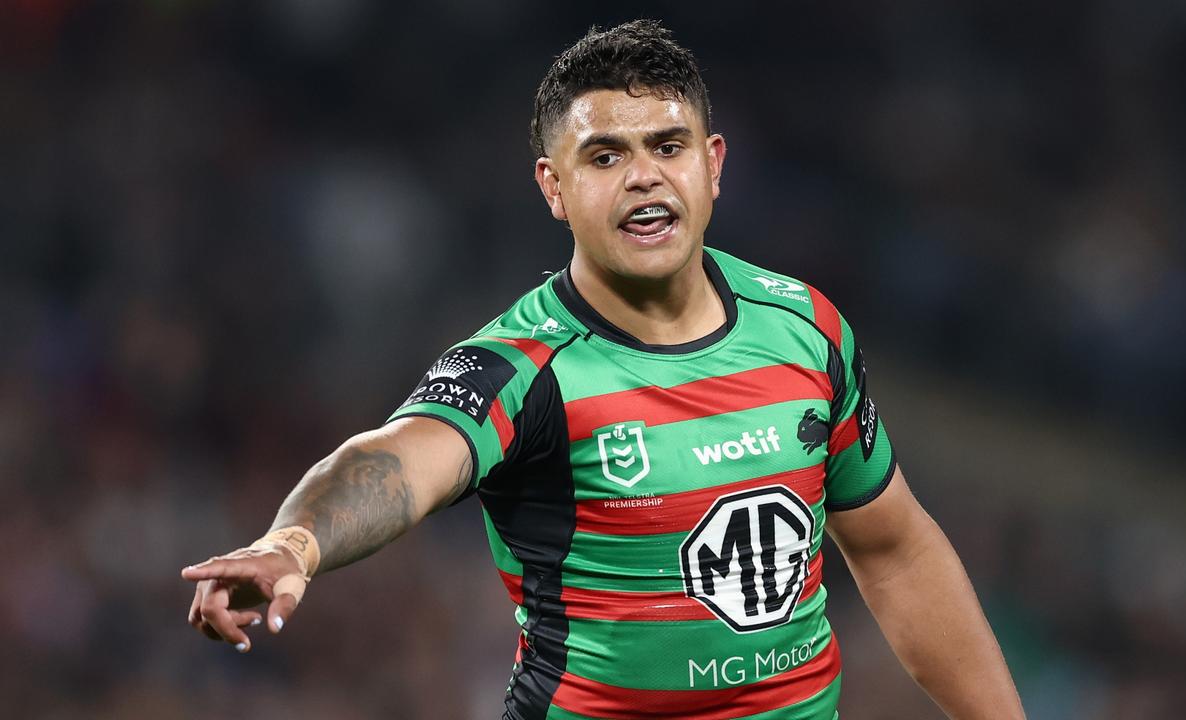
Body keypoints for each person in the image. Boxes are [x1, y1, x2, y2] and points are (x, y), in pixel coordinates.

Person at [183, 19, 1025, 720]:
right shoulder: (526, 365)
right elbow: (400, 458)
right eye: (605, 156)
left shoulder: (805, 327)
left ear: (714, 164)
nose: (644, 175)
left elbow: (895, 551)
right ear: (554, 188)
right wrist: (295, 541)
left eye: (668, 144)